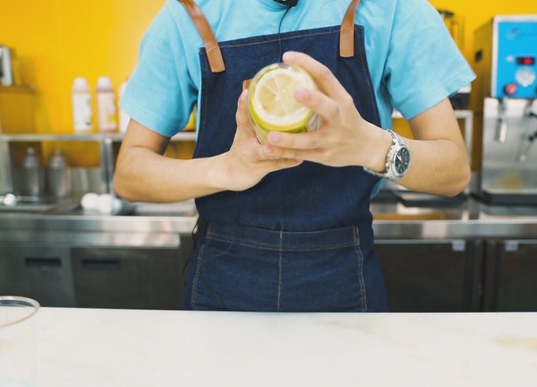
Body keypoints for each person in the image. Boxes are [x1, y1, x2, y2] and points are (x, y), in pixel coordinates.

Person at [114, 0, 475, 312]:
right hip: (222, 278)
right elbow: (130, 173)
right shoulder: (189, 15)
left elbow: (454, 171)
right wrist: (226, 169)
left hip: (343, 274)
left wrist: (373, 147)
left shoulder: (393, 9)